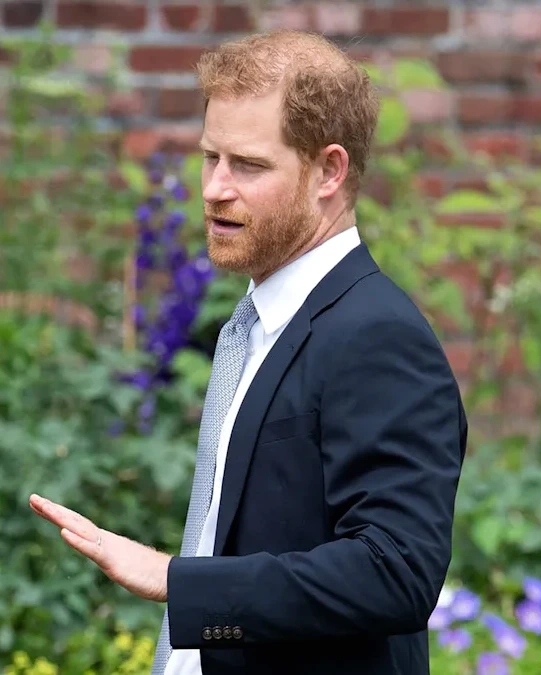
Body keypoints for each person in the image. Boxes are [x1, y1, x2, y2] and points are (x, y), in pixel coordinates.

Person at [29, 29, 467, 675]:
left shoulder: (377, 334)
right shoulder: (257, 322)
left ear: (329, 171)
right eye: (211, 157)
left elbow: (396, 570)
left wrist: (178, 581)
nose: (214, 188)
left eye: (249, 165)